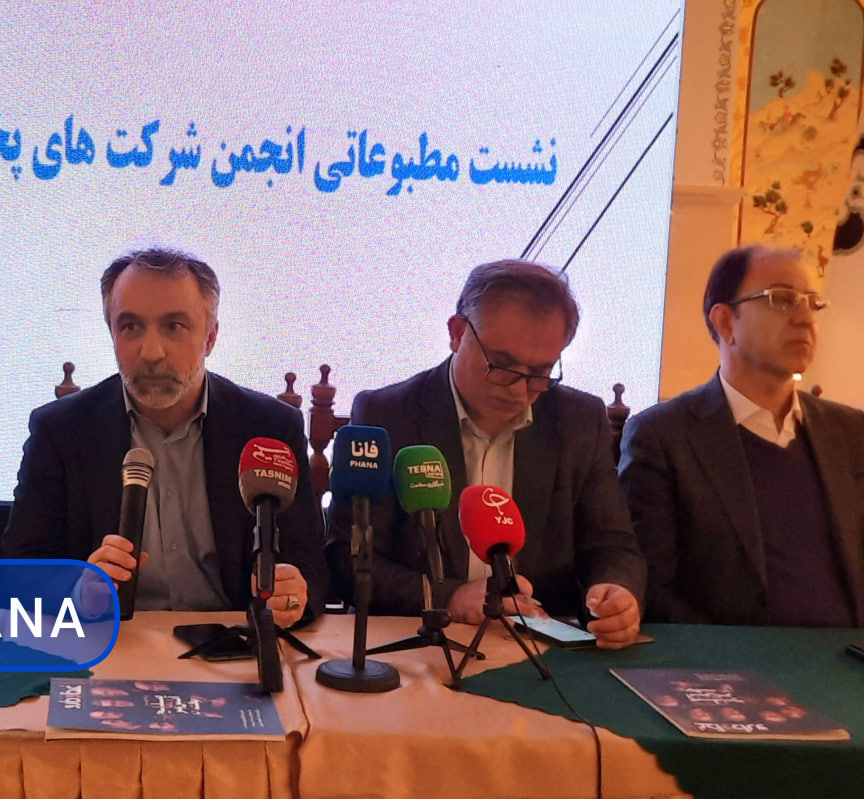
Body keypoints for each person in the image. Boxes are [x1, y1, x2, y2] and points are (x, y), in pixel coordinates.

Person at [327, 259, 645, 648]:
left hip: (539, 646)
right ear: (457, 333)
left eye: (540, 372)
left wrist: (616, 593)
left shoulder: (578, 421)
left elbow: (612, 545)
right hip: (420, 643)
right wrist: (450, 597)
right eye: (502, 365)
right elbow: (350, 559)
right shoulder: (387, 415)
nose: (519, 389)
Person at [3, 247, 327, 627]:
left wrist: (293, 595)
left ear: (210, 337)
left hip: (234, 642)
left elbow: (310, 569)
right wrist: (77, 594)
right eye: (131, 327)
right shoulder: (61, 430)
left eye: (173, 326)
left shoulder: (269, 427)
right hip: (112, 640)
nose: (152, 352)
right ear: (111, 334)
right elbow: (19, 573)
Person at [618, 245, 864, 626]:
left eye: (813, 303)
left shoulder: (851, 433)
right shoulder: (662, 436)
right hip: (728, 657)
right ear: (725, 322)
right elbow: (650, 587)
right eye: (782, 299)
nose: (805, 318)